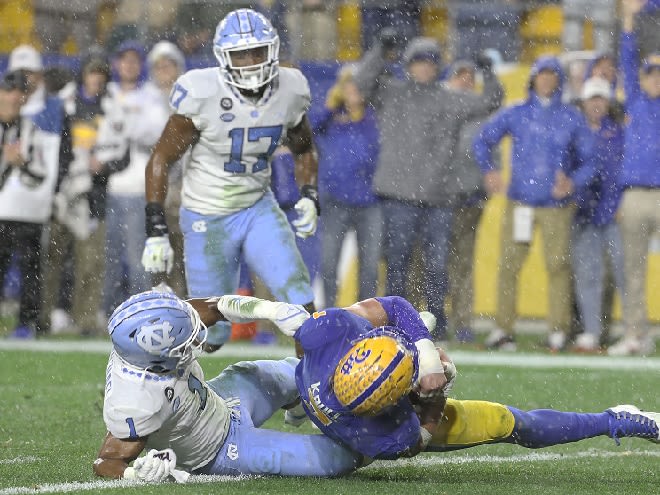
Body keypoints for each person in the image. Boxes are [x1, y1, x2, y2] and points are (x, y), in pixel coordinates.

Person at [217, 292, 660, 462]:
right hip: (364, 432)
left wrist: (422, 349)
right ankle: (613, 419)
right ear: (397, 398)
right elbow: (418, 440)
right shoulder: (381, 435)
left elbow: (391, 305)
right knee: (514, 424)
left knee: (311, 334)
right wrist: (436, 392)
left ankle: (297, 403)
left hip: (321, 382)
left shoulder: (327, 334)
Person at [141, 9, 320, 352]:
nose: (251, 62)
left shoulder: (291, 88)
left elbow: (305, 147)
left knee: (300, 304)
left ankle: (312, 395)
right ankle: (166, 382)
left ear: (273, 51)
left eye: (258, 52)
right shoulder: (202, 92)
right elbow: (160, 158)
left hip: (257, 206)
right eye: (240, 54)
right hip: (206, 215)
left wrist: (310, 193)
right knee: (211, 334)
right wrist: (156, 228)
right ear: (224, 57)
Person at [94, 290, 365, 481]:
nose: (194, 341)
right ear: (157, 358)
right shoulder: (134, 401)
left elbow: (217, 306)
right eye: (184, 344)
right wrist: (134, 473)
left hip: (221, 399)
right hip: (221, 451)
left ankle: (303, 403)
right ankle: (384, 435)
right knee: (337, 459)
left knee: (302, 371)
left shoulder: (148, 338)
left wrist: (272, 310)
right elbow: (106, 461)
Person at [354, 35, 503, 341]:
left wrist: (488, 72)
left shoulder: (450, 98)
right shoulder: (391, 92)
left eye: (431, 62)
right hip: (399, 196)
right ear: (409, 65)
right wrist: (380, 50)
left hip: (438, 197)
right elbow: (362, 81)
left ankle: (436, 325)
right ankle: (394, 324)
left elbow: (491, 101)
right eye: (419, 61)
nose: (425, 68)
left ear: (438, 67)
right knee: (398, 265)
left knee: (437, 267)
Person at [473, 55, 598, 352]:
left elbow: (591, 161)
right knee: (509, 265)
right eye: (541, 75)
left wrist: (573, 181)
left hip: (557, 206)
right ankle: (503, 328)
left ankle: (557, 329)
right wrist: (489, 170)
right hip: (521, 204)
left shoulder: (570, 116)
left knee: (558, 267)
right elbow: (482, 139)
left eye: (552, 75)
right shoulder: (517, 112)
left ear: (559, 80)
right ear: (533, 79)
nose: (546, 80)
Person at [98, 41, 170, 316]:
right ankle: (109, 314)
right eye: (123, 59)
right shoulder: (108, 92)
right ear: (115, 63)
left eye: (134, 60)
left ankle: (140, 313)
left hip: (139, 186)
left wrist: (124, 125)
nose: (128, 65)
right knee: (110, 258)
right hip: (107, 186)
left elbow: (156, 132)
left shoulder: (150, 95)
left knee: (138, 257)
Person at [608, 0, 660, 356]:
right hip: (636, 195)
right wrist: (628, 21)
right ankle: (635, 335)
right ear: (642, 78)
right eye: (650, 72)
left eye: (659, 71)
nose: (655, 77)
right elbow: (626, 60)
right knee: (633, 269)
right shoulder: (635, 103)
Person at [0, 70, 65, 339]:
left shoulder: (32, 131)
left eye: (19, 92)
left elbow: (42, 172)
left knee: (30, 268)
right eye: (10, 91)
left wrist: (22, 163)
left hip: (25, 210)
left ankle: (27, 322)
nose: (14, 97)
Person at [313, 65, 381, 307]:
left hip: (371, 201)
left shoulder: (375, 117)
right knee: (329, 263)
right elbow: (308, 129)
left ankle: (364, 320)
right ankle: (328, 316)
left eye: (358, 84)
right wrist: (332, 106)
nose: (354, 89)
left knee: (370, 267)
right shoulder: (330, 118)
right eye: (348, 84)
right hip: (336, 200)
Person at [571, 77, 625, 353]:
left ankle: (631, 333)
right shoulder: (575, 132)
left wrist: (619, 203)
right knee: (588, 275)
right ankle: (592, 332)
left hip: (613, 214)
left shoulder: (619, 133)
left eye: (601, 98)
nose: (596, 104)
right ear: (583, 102)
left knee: (623, 273)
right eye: (592, 99)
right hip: (583, 215)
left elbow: (621, 174)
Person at [443, 60, 494, 343]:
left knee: (462, 262)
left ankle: (462, 322)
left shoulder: (480, 115)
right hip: (436, 198)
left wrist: (488, 175)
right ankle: (429, 319)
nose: (465, 82)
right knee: (430, 262)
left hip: (468, 197)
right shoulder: (437, 107)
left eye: (469, 78)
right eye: (460, 76)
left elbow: (489, 149)